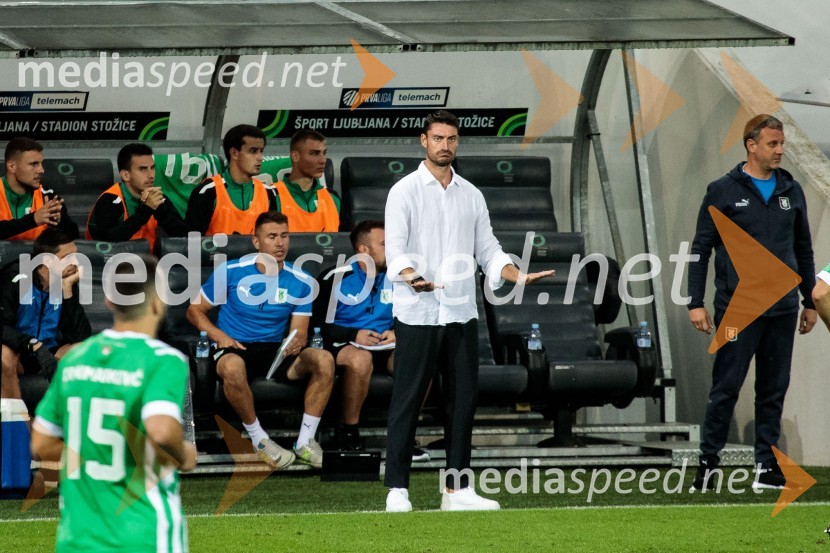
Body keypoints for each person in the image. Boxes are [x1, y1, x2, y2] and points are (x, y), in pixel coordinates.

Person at [383, 110, 554, 512]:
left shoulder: (471, 194)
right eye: (438, 138)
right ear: (423, 141)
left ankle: (456, 490)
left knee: (462, 401)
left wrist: (515, 274)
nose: (445, 145)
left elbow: (489, 250)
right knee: (407, 399)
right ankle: (397, 489)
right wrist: (412, 277)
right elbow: (395, 249)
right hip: (417, 312)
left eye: (452, 139)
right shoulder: (403, 191)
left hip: (460, 311)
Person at [31, 254, 197, 552]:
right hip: (143, 533)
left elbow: (41, 443)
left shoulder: (74, 359)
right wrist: (185, 456)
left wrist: (95, 455)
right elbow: (160, 430)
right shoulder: (164, 360)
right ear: (159, 302)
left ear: (109, 302)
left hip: (78, 536)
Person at [688, 114, 816, 490]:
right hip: (736, 309)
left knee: (773, 390)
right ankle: (708, 465)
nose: (780, 151)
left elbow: (804, 251)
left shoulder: (791, 191)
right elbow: (700, 250)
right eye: (773, 144)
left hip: (782, 310)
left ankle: (767, 467)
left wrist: (810, 301)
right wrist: (695, 302)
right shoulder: (722, 191)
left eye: (782, 144)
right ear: (751, 144)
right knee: (725, 388)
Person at [186, 210, 335, 469]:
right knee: (232, 367)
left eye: (285, 236)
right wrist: (220, 337)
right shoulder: (231, 272)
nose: (280, 243)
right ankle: (259, 439)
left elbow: (298, 330)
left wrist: (297, 341)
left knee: (323, 359)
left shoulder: (301, 281)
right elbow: (194, 311)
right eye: (272, 237)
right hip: (235, 346)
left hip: (275, 352)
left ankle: (305, 441)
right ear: (257, 242)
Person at [312, 220, 394, 451]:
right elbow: (315, 323)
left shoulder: (399, 278)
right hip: (345, 343)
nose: (393, 249)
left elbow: (414, 315)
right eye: (385, 244)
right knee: (360, 359)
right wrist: (353, 334)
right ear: (364, 250)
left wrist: (397, 332)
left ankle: (404, 433)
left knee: (420, 358)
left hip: (385, 344)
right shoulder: (335, 278)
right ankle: (348, 430)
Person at [1, 229, 91, 400]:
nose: (76, 262)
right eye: (68, 257)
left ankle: (65, 420)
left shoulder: (66, 280)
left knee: (84, 350)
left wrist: (67, 290)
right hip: (20, 352)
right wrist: (32, 344)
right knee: (4, 354)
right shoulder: (16, 278)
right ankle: (17, 422)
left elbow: (80, 336)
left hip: (50, 351)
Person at [86, 143, 188, 249]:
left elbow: (184, 237)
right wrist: (146, 210)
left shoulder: (157, 198)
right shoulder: (110, 200)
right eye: (143, 169)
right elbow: (106, 244)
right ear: (126, 175)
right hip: (112, 263)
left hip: (148, 262)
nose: (151, 175)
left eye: (152, 168)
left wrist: (161, 210)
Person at [184, 124, 278, 236]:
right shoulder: (207, 193)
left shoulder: (269, 193)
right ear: (234, 153)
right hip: (215, 254)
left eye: (261, 151)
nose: (260, 157)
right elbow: (192, 245)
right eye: (253, 151)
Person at [0, 137, 78, 241]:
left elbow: (74, 237)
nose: (41, 170)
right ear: (11, 166)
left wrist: (59, 223)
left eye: (41, 164)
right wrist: (33, 220)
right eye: (34, 164)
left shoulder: (48, 196)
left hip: (36, 257)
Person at [273, 129, 340, 232]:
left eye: (324, 153)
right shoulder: (272, 196)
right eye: (314, 153)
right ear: (295, 156)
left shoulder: (333, 197)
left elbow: (346, 242)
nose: (323, 160)